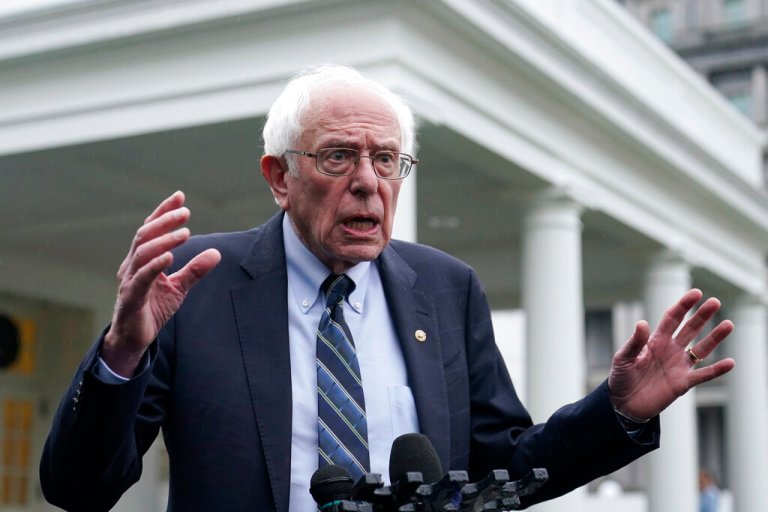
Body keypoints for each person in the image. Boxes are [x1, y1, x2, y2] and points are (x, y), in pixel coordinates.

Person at [39, 65, 735, 512]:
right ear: (280, 177)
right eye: (338, 156)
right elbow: (79, 488)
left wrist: (615, 413)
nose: (368, 181)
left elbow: (503, 472)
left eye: (386, 160)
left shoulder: (446, 287)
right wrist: (121, 352)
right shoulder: (199, 281)